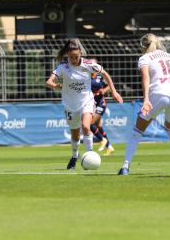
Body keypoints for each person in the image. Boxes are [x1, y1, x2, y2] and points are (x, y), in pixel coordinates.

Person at [118, 33, 170, 175]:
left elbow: (145, 78)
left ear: (143, 47)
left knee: (137, 130)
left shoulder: (145, 58)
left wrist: (146, 99)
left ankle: (125, 166)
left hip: (159, 93)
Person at [46, 38, 123, 170]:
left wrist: (114, 92)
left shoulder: (88, 64)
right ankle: (74, 157)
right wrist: (58, 85)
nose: (73, 59)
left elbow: (105, 74)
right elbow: (48, 82)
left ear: (81, 53)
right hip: (70, 105)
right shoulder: (63, 67)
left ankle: (90, 155)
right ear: (67, 56)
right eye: (71, 57)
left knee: (86, 127)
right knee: (75, 134)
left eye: (76, 56)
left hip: (86, 102)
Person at [90, 73, 115, 156]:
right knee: (99, 126)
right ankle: (109, 147)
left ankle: (102, 140)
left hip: (101, 104)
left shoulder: (100, 77)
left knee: (91, 124)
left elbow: (109, 85)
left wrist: (104, 91)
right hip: (92, 104)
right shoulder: (86, 77)